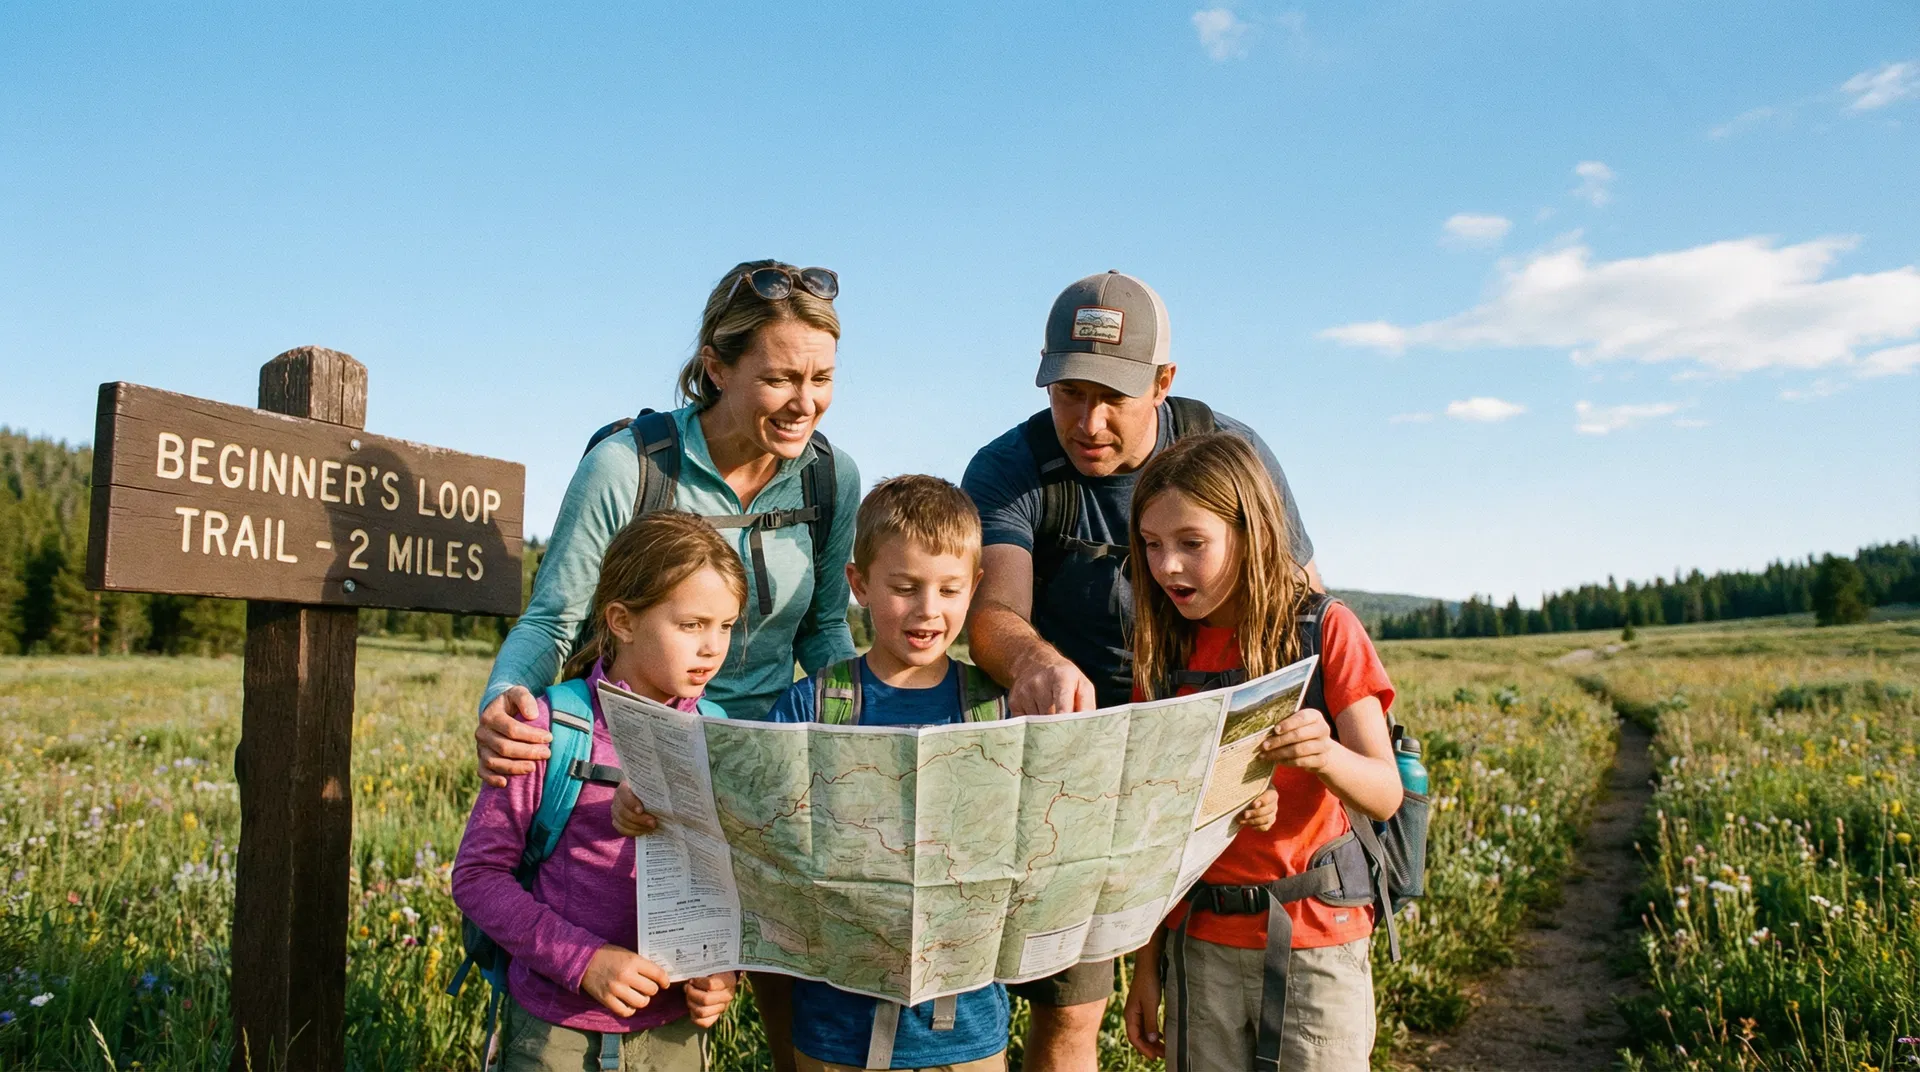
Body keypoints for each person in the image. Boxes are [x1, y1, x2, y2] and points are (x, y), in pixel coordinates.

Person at [476, 260, 863, 1069]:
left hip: (765, 764)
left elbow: (825, 631)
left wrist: (855, 736)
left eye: (823, 377)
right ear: (716, 368)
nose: (806, 402)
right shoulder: (629, 466)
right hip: (639, 749)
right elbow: (555, 615)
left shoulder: (831, 476)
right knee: (625, 927)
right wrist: (507, 700)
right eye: (780, 378)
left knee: (793, 1005)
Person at [960, 270, 1320, 1070]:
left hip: (1212, 753)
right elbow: (993, 613)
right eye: (1068, 394)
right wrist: (1035, 661)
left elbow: (1305, 603)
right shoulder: (1009, 469)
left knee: (1220, 994)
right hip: (1079, 764)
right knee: (1072, 1013)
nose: (1086, 423)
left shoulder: (1232, 455)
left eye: (1113, 398)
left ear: (1164, 382)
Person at [1118, 433, 1401, 1072]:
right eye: (1152, 545)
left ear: (1251, 534)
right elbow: (1154, 829)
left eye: (1192, 544)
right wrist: (1146, 966)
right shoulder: (1163, 656)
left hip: (1314, 943)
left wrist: (1324, 755)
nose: (1167, 567)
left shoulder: (1324, 629)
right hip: (1198, 947)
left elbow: (1384, 793)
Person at [452, 511, 746, 1072]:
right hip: (555, 1032)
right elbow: (477, 878)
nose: (713, 648)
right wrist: (583, 961)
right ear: (622, 620)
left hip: (675, 1034)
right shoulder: (550, 725)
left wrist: (722, 968)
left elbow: (730, 879)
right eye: (692, 625)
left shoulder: (718, 731)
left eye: (727, 626)